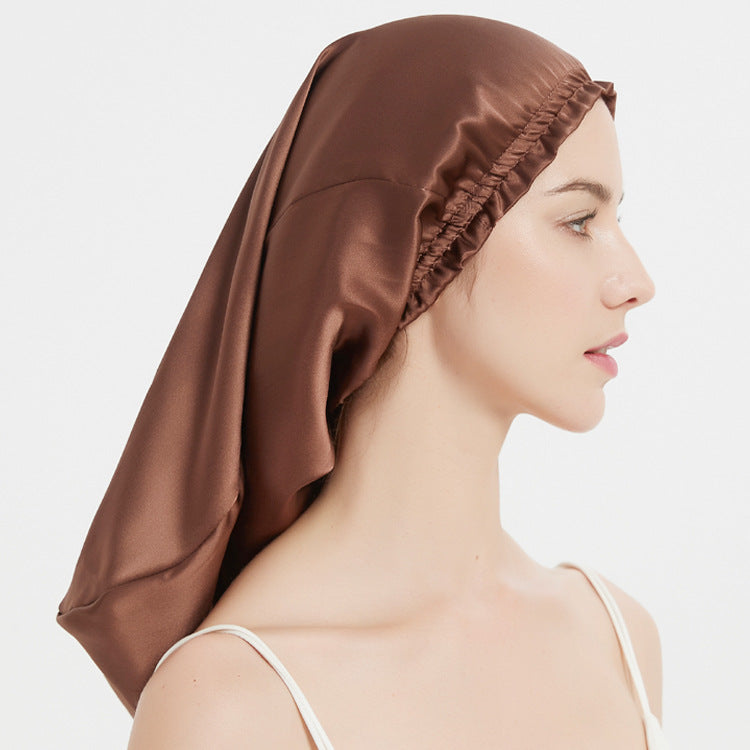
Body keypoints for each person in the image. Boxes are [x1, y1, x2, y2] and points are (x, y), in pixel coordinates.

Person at [58, 14, 668, 749]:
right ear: (412, 239)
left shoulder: (619, 638)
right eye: (578, 220)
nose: (637, 281)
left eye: (617, 219)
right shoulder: (234, 704)